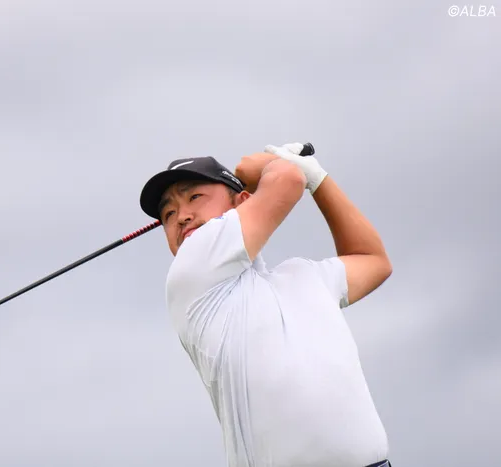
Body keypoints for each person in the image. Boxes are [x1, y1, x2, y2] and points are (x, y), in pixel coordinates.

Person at [138, 143, 393, 467]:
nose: (182, 216)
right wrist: (267, 166)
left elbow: (373, 260)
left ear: (242, 201)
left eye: (194, 197)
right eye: (168, 214)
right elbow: (288, 180)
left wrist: (318, 179)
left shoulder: (303, 275)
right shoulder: (191, 270)